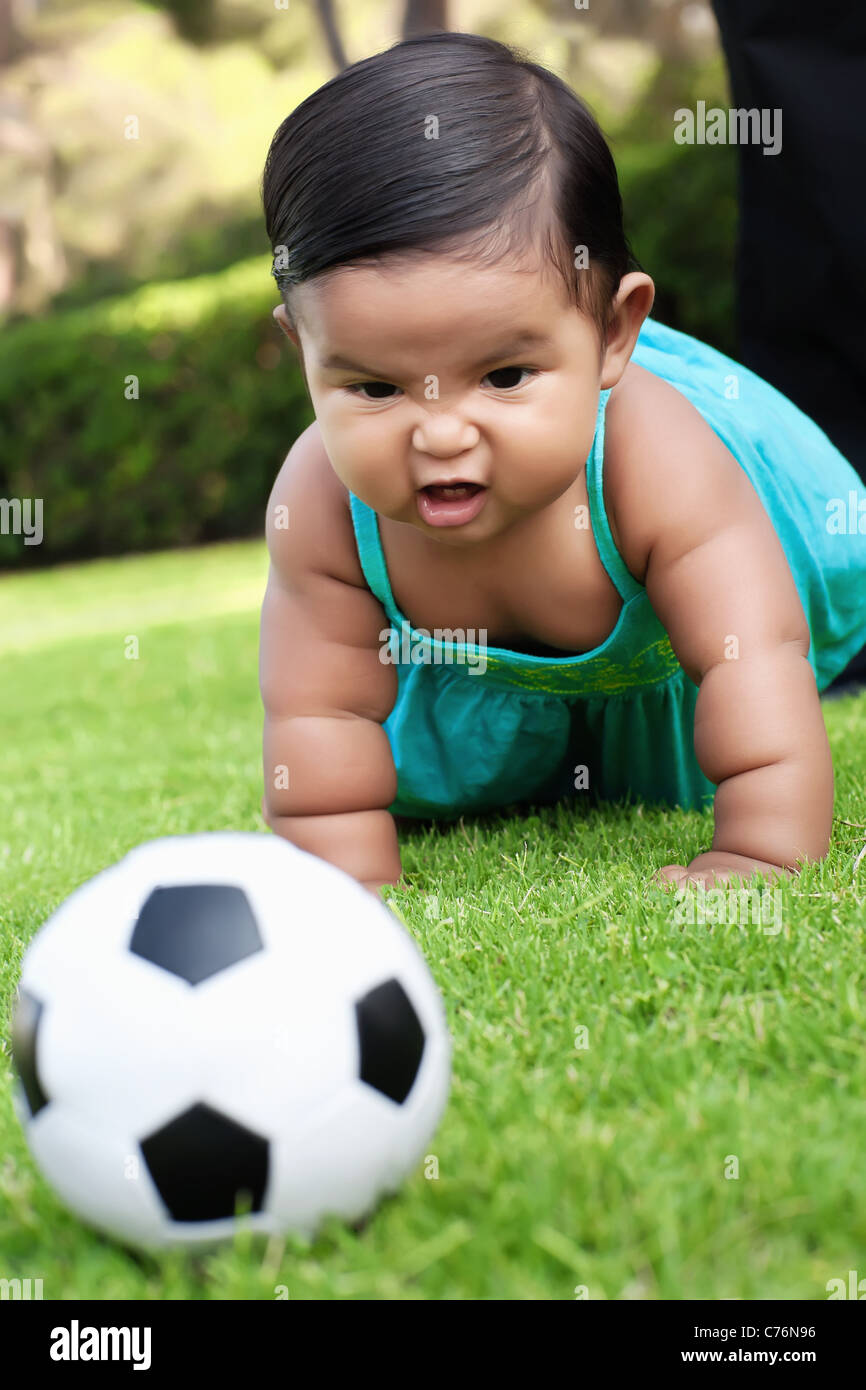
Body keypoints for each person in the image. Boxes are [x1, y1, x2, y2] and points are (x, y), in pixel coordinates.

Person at [258, 32, 866, 896]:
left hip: (669, 697)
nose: (439, 435)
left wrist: (761, 851)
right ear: (304, 350)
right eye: (375, 389)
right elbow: (319, 710)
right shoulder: (321, 498)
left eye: (505, 376)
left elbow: (747, 658)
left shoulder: (651, 456)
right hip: (477, 722)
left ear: (614, 334)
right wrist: (343, 885)